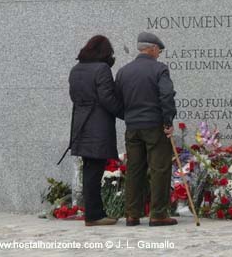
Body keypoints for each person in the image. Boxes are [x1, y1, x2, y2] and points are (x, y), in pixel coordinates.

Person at [115, 32, 177, 227]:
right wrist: (168, 121)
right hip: (154, 126)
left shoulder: (124, 71)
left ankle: (132, 214)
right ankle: (158, 214)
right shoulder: (159, 69)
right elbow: (166, 96)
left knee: (134, 169)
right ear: (151, 48)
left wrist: (129, 117)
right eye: (158, 50)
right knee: (159, 168)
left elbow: (117, 100)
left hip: (132, 127)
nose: (159, 54)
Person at [68, 35, 123, 226]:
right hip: (97, 125)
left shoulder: (76, 70)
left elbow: (74, 96)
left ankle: (94, 213)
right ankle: (94, 215)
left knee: (90, 169)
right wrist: (125, 114)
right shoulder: (102, 69)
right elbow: (107, 98)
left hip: (80, 124)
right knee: (94, 171)